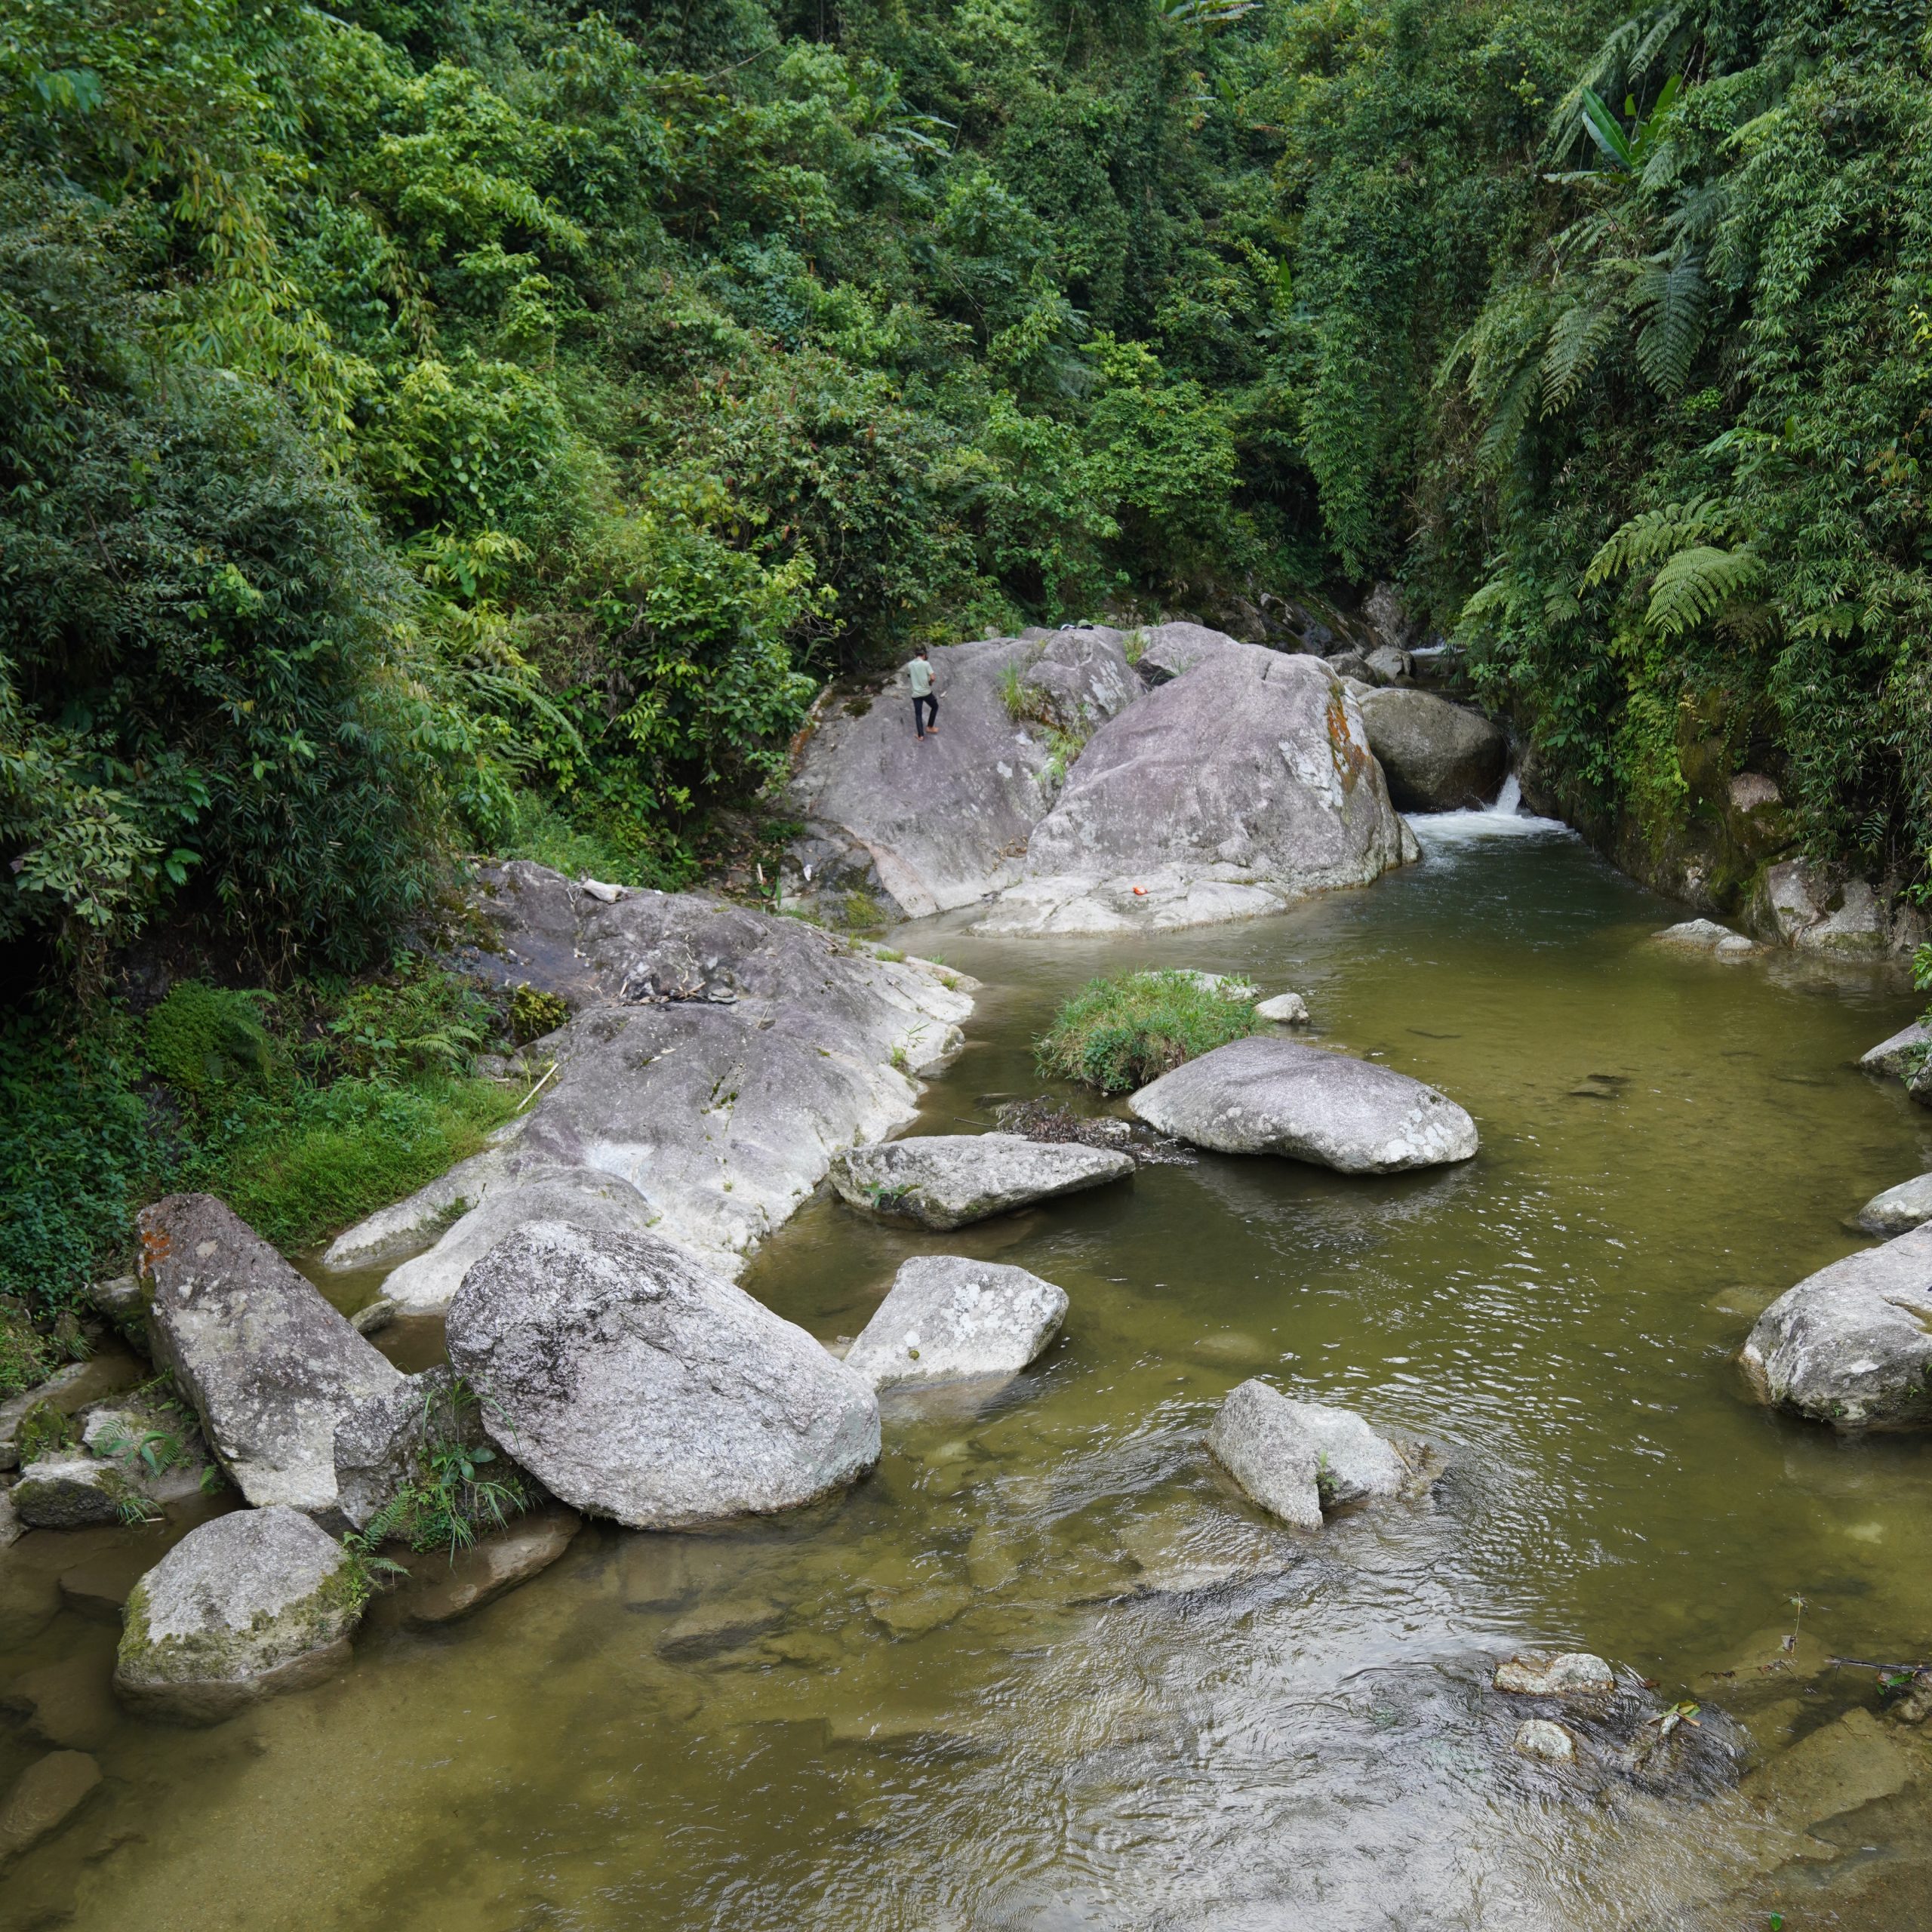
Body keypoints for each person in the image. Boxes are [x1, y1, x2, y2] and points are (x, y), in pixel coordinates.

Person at [909, 645, 940, 740]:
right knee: (935, 706)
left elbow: (909, 675)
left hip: (916, 694)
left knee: (918, 714)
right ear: (924, 654)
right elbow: (933, 677)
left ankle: (920, 735)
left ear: (915, 655)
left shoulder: (910, 665)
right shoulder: (926, 664)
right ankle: (930, 727)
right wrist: (930, 682)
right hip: (926, 693)